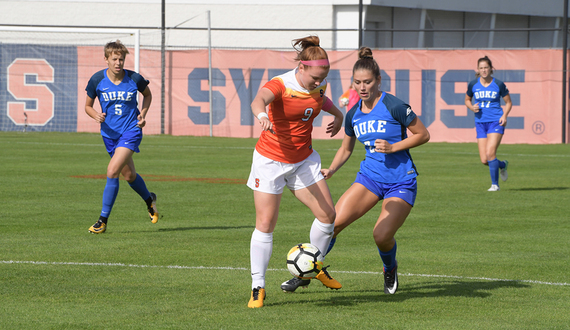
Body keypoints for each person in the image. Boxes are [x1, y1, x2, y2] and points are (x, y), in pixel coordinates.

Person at [288, 47, 430, 295]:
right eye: (357, 82)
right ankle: (307, 272)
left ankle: (389, 267)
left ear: (378, 81)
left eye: (367, 82)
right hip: (370, 179)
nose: (362, 87)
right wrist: (331, 169)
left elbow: (423, 134)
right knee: (331, 225)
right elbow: (346, 149)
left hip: (400, 181)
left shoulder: (394, 105)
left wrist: (394, 146)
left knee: (381, 236)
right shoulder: (353, 114)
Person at [246, 35, 344, 308]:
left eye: (322, 78)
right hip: (271, 161)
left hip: (303, 160)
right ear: (301, 67)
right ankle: (258, 286)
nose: (318, 82)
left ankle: (315, 266)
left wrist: (338, 115)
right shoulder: (280, 84)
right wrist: (262, 115)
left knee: (328, 216)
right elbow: (258, 100)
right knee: (265, 224)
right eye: (314, 77)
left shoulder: (319, 84)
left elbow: (321, 100)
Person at [85, 40, 159, 234]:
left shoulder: (134, 78)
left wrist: (143, 114)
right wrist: (96, 115)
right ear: (106, 59)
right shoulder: (96, 80)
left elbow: (148, 95)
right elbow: (87, 106)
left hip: (131, 131)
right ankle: (149, 200)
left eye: (122, 59)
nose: (118, 63)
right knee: (129, 175)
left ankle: (102, 220)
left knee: (112, 171)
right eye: (115, 59)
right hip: (109, 135)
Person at [465, 56, 512, 192]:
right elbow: (467, 100)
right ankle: (502, 165)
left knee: (490, 153)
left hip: (496, 122)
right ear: (478, 70)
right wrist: (471, 107)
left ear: (491, 69)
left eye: (486, 67)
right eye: (481, 68)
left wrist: (504, 115)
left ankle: (494, 185)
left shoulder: (498, 84)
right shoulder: (473, 84)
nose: (484, 70)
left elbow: (508, 102)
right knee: (485, 160)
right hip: (480, 123)